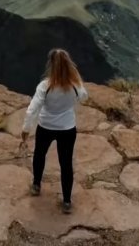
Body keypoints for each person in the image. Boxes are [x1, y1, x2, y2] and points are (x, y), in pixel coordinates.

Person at [20, 48, 88, 214]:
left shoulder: (45, 86)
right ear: (69, 64)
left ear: (50, 64)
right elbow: (84, 97)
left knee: (39, 154)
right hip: (67, 128)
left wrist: (26, 129)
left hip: (46, 126)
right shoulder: (75, 85)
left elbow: (32, 109)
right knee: (65, 164)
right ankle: (66, 201)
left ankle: (36, 185)